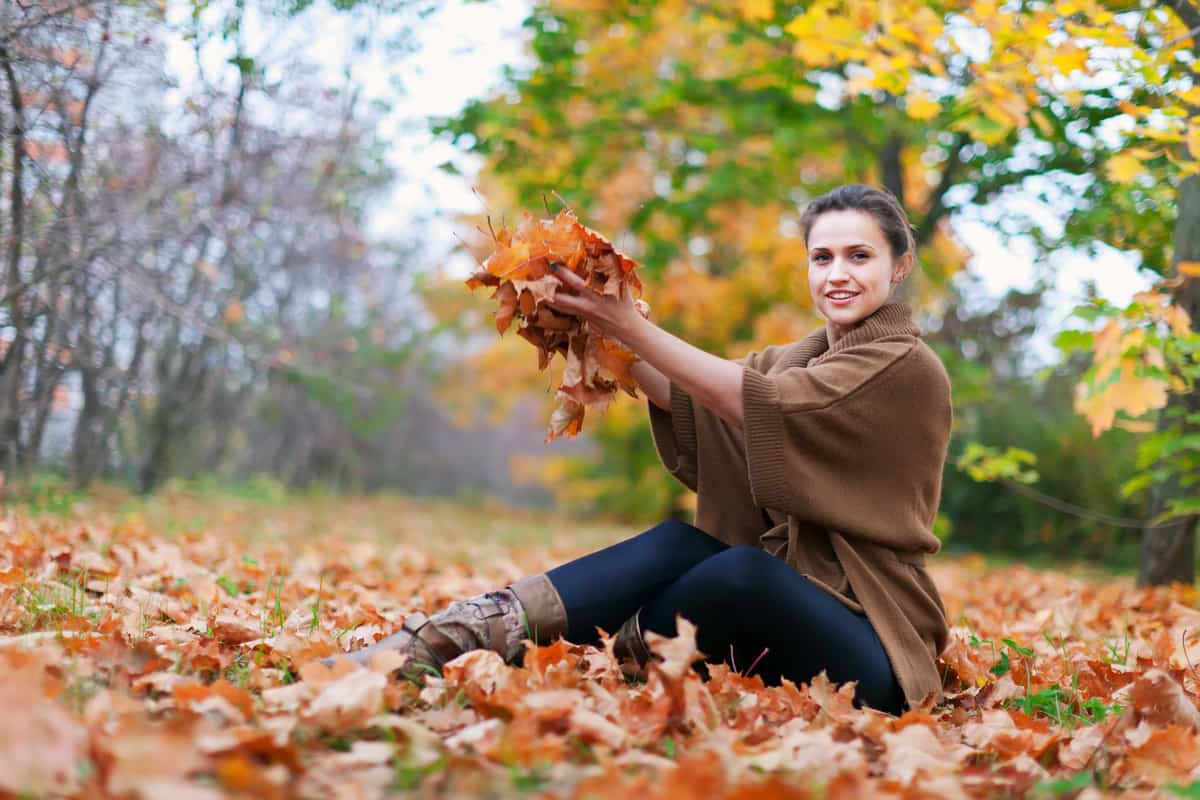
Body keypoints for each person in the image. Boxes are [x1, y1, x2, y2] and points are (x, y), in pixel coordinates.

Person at [336, 184, 952, 716]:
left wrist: (631, 326)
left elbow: (757, 403)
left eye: (859, 256)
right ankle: (442, 641)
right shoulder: (802, 357)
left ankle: (595, 650)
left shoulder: (906, 365)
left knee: (742, 570)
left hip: (874, 649)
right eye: (822, 257)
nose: (837, 273)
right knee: (680, 543)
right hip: (781, 627)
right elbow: (696, 400)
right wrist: (592, 325)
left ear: (899, 267)